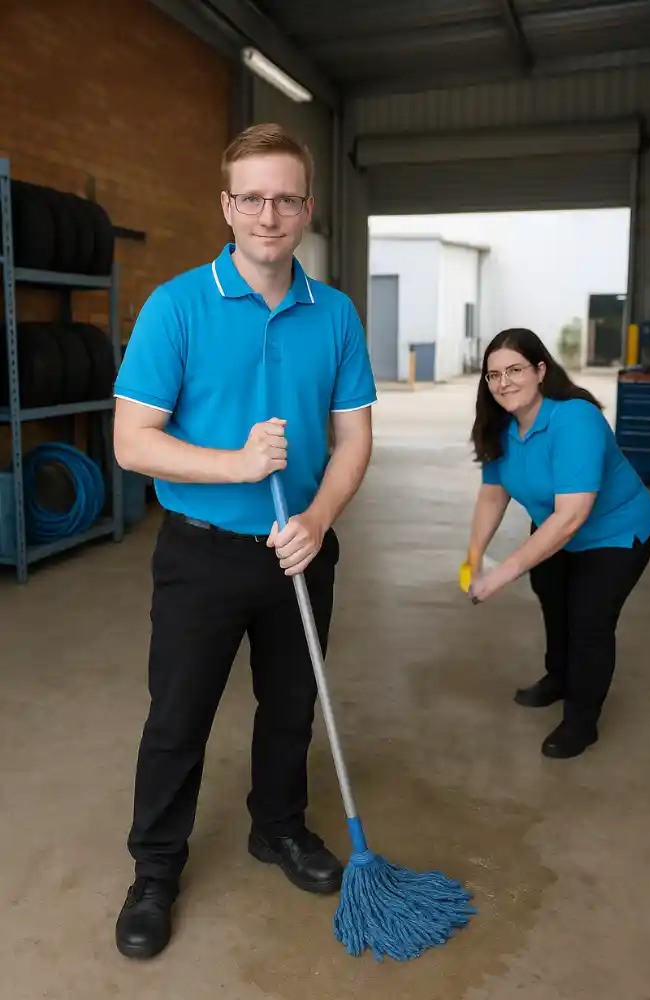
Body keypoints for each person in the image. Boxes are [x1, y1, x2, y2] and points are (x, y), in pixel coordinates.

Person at [111, 122, 376, 959]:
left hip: (299, 548)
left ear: (307, 207)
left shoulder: (332, 313)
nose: (270, 213)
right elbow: (131, 441)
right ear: (228, 205)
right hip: (202, 553)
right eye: (252, 197)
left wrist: (320, 518)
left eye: (286, 197)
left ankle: (279, 828)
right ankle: (155, 870)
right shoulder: (177, 306)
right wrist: (234, 464)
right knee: (178, 717)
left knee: (290, 707)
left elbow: (355, 437)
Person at [465, 328, 650, 760]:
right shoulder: (501, 426)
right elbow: (494, 493)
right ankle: (559, 676)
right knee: (554, 601)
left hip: (613, 533)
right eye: (493, 375)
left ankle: (581, 719)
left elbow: (571, 517)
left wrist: (499, 575)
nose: (504, 383)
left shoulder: (575, 419)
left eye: (515, 370)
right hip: (551, 529)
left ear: (540, 370)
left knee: (589, 621)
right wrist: (474, 557)